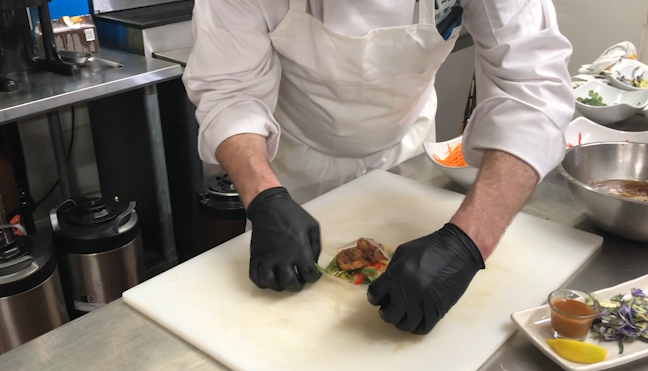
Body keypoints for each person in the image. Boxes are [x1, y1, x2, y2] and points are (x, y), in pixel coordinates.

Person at [183, 0, 574, 335]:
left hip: (406, 158)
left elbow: (532, 92)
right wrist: (263, 195)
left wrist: (468, 242)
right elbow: (229, 90)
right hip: (291, 165)